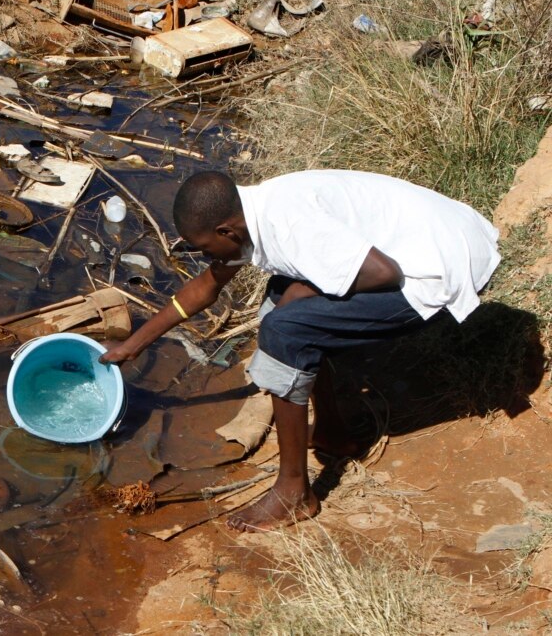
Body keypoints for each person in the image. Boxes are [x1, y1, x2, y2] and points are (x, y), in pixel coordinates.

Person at [100, 169, 500, 532]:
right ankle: (334, 431)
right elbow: (206, 286)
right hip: (423, 243)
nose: (208, 257)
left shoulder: (288, 224)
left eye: (207, 247)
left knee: (285, 329)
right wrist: (133, 345)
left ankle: (294, 491)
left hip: (435, 269)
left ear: (227, 231)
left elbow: (384, 273)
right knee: (282, 302)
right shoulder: (249, 217)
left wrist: (303, 292)